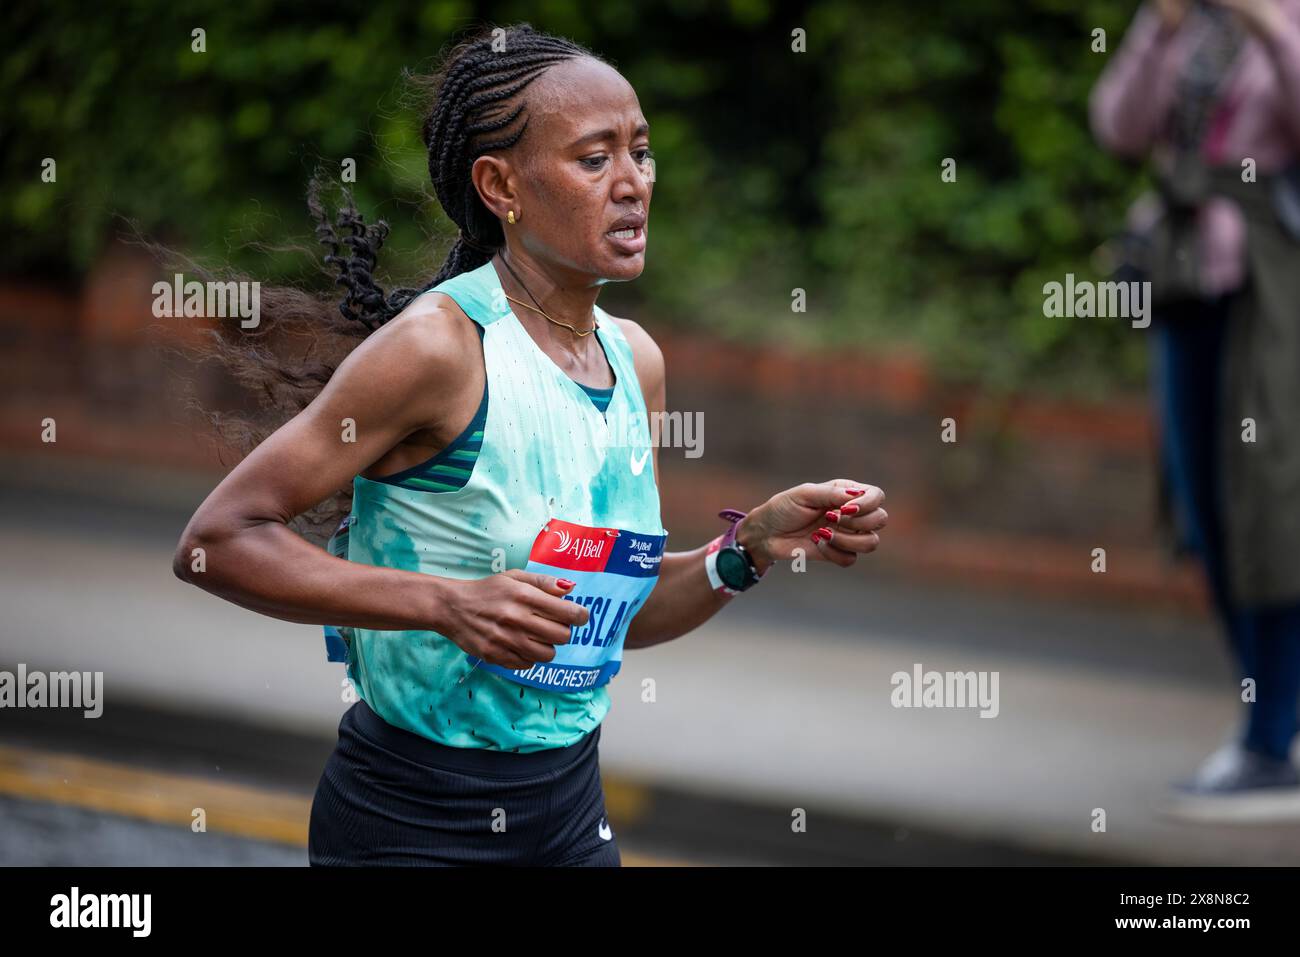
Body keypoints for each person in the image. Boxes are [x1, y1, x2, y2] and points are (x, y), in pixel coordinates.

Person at [172, 22, 889, 865]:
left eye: (642, 152)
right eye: (595, 160)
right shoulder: (439, 349)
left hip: (569, 812)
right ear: (500, 185)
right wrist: (445, 603)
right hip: (411, 818)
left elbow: (610, 616)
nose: (633, 184)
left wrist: (749, 546)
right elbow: (215, 544)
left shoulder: (636, 362)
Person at [1091, 0, 1300, 818]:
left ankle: (1269, 738)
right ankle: (1266, 722)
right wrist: (1163, 27)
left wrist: (1266, 24)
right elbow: (1117, 125)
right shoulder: (1186, 21)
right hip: (1181, 282)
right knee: (1202, 506)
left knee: (1270, 503)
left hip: (1270, 292)